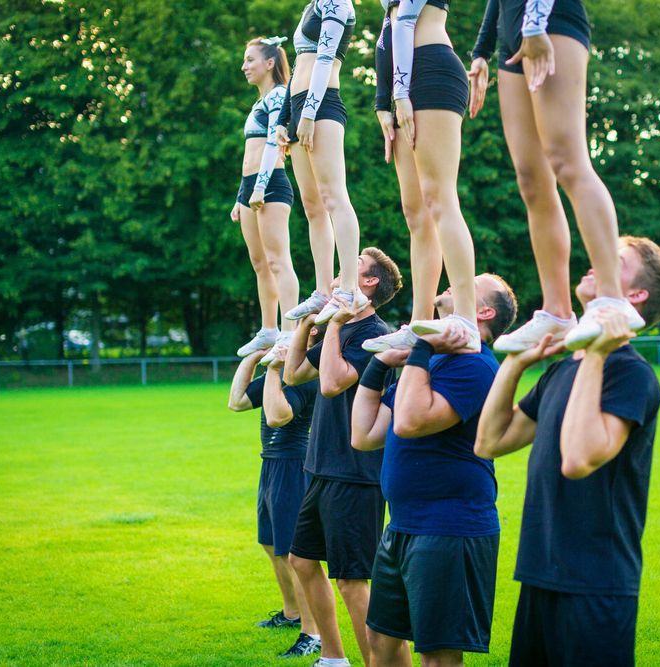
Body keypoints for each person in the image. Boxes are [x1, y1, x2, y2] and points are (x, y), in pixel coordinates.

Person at [475, 237, 660, 665]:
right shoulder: (562, 369)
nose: (595, 262)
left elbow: (577, 459)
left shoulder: (630, 375)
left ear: (635, 296)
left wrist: (595, 355)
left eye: (615, 261)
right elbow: (489, 441)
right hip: (539, 574)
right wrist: (516, 363)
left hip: (596, 583)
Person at [351, 274, 517, 667]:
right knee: (381, 638)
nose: (450, 284)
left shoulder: (474, 366)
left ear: (483, 312)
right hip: (404, 525)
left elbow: (409, 422)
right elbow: (365, 434)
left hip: (451, 527)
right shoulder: (433, 361)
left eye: (466, 284)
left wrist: (422, 346)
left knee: (438, 654)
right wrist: (380, 364)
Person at [468, 0, 646, 354]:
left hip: (550, 20)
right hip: (512, 34)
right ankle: (557, 312)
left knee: (567, 161)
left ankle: (612, 297)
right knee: (531, 181)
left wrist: (534, 25)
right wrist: (481, 51)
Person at [283, 248, 403, 667]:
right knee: (301, 559)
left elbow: (332, 384)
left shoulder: (373, 334)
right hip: (322, 469)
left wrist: (333, 323)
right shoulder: (342, 329)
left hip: (355, 474)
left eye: (346, 272)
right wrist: (307, 322)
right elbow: (294, 374)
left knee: (353, 580)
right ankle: (334, 659)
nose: (335, 278)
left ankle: (378, 663)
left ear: (367, 283)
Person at [362, 0, 482, 354]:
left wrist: (398, 94)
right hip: (404, 82)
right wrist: (383, 102)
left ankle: (466, 317)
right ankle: (419, 321)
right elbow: (389, 29)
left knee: (439, 198)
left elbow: (408, 22)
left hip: (431, 70)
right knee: (416, 213)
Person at [273, 0, 367, 328]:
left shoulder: (337, 4)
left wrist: (310, 113)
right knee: (313, 208)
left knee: (333, 197)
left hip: (322, 104)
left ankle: (350, 288)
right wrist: (285, 120)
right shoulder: (312, 5)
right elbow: (300, 67)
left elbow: (324, 60)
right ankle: (323, 290)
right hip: (300, 107)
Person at [226, 346, 321, 658]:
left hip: (293, 466)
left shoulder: (303, 379)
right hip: (271, 463)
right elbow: (237, 402)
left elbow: (279, 417)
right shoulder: (278, 375)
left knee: (294, 553)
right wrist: (255, 357)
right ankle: (291, 612)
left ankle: (312, 633)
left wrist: (275, 369)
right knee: (270, 543)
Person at [233, 37, 300, 358]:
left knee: (277, 260)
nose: (244, 66)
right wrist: (240, 196)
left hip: (270, 184)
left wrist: (259, 187)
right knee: (260, 263)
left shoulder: (277, 95)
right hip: (250, 189)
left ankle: (290, 331)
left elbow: (273, 144)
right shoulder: (258, 102)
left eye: (250, 60)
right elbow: (250, 152)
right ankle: (268, 330)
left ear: (269, 63)